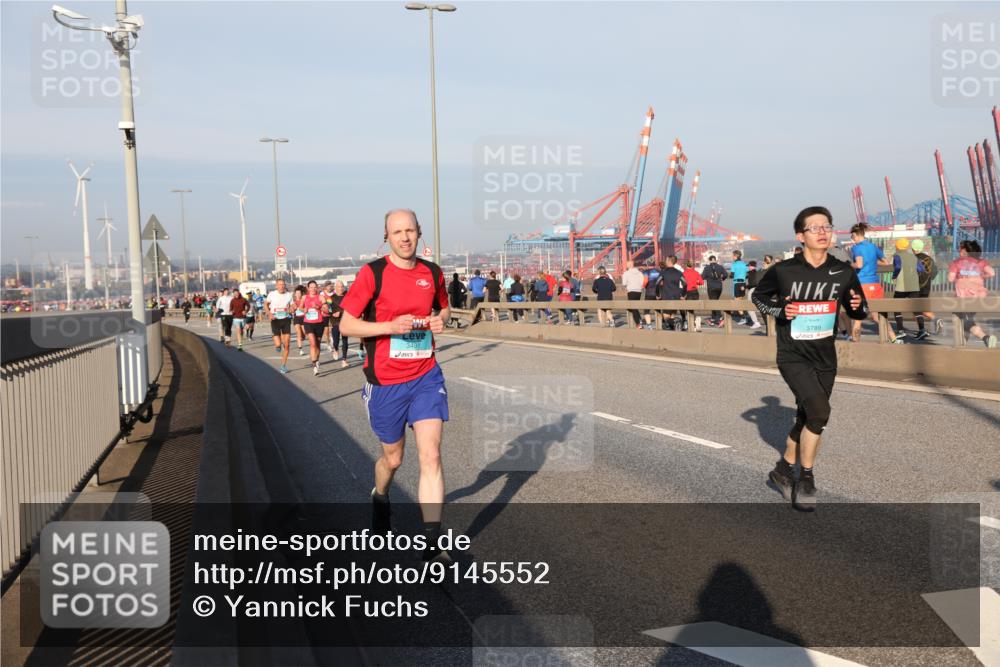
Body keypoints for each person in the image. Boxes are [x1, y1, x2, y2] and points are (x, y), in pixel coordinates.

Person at [338, 208, 450, 561]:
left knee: (430, 455)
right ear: (386, 236)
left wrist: (438, 320)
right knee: (394, 459)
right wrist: (390, 327)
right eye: (397, 232)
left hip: (425, 376)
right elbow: (346, 325)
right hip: (385, 382)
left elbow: (444, 308)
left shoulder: (432, 273)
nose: (404, 237)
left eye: (410, 231)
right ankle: (380, 496)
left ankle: (432, 545)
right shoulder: (373, 273)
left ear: (419, 233)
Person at [751, 206, 869, 510]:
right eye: (814, 228)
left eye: (826, 227)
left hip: (825, 354)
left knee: (807, 415)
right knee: (819, 412)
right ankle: (806, 478)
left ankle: (781, 471)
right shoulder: (784, 270)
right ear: (800, 236)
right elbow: (759, 297)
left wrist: (857, 306)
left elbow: (858, 309)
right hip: (793, 354)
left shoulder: (843, 271)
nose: (822, 232)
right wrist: (780, 310)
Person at [848, 222, 899, 344]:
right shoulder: (873, 246)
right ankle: (894, 338)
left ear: (856, 235)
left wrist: (849, 264)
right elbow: (886, 262)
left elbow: (859, 264)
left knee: (858, 317)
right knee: (879, 316)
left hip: (862, 284)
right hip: (875, 285)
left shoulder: (856, 248)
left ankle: (855, 342)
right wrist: (871, 263)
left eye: (852, 237)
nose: (852, 240)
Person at [948, 239, 997, 348]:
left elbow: (950, 279)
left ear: (965, 250)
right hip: (979, 296)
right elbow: (992, 273)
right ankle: (963, 345)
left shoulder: (956, 262)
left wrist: (958, 277)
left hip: (963, 297)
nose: (958, 251)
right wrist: (981, 276)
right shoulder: (980, 262)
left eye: (960, 249)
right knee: (966, 320)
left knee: (960, 320)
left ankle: (985, 338)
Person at [891, 238, 926, 339]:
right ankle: (922, 330)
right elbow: (921, 269)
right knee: (916, 308)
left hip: (902, 286)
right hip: (914, 286)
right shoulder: (913, 256)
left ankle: (901, 330)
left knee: (896, 307)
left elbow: (897, 267)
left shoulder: (897, 256)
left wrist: (894, 276)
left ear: (898, 246)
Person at [265, 279, 294, 374]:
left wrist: (292, 309)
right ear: (276, 286)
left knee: (287, 344)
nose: (282, 286)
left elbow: (292, 306)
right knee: (278, 344)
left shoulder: (289, 295)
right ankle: (277, 345)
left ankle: (283, 365)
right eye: (280, 285)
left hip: (286, 319)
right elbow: (266, 304)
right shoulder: (272, 294)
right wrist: (269, 313)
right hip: (275, 319)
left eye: (283, 284)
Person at [912, 239, 940, 336]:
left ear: (913, 248)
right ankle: (923, 329)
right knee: (919, 308)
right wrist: (928, 279)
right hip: (926, 287)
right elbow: (935, 272)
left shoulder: (911, 259)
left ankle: (925, 327)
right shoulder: (929, 259)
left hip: (915, 287)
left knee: (916, 309)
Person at [301, 280, 329, 376]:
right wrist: (303, 309)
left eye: (314, 287)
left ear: (317, 287)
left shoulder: (321, 297)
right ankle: (314, 366)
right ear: (308, 288)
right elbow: (300, 307)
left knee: (317, 344)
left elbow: (326, 310)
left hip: (319, 323)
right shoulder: (304, 297)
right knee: (312, 343)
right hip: (308, 323)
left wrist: (318, 307)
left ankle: (317, 360)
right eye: (311, 287)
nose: (313, 289)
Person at [656, 256, 686, 330]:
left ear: (669, 261)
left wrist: (657, 294)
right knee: (672, 314)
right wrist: (683, 294)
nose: (665, 261)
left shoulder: (663, 272)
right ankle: (674, 329)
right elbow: (685, 284)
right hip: (676, 296)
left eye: (666, 260)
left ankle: (676, 322)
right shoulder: (679, 272)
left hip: (666, 296)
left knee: (666, 317)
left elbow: (657, 283)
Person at [701, 255, 728, 326]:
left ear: (710, 260)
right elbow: (726, 274)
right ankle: (713, 317)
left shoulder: (707, 268)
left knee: (713, 302)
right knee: (715, 300)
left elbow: (702, 277)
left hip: (711, 288)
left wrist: (707, 277)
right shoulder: (720, 267)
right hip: (719, 287)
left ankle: (720, 317)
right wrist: (722, 279)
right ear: (715, 260)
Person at [329, 280, 350, 367]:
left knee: (345, 340)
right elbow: (328, 309)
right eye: (339, 287)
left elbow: (350, 306)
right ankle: (335, 348)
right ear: (335, 288)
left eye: (342, 286)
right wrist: (332, 313)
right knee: (336, 339)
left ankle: (344, 360)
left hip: (345, 320)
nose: (341, 288)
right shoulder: (330, 298)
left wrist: (340, 312)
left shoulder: (347, 296)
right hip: (335, 321)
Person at [681, 260, 704, 331]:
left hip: (687, 292)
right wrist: (696, 282)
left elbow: (681, 283)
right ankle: (696, 320)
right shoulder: (696, 273)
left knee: (688, 309)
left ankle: (692, 324)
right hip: (695, 292)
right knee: (693, 308)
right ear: (692, 265)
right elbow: (702, 282)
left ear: (686, 265)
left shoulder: (683, 273)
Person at [622, 260, 645, 329]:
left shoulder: (626, 273)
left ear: (628, 265)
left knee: (633, 307)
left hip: (631, 291)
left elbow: (624, 283)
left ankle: (638, 323)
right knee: (635, 307)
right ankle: (639, 320)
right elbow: (642, 282)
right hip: (639, 291)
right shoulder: (640, 273)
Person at [730, 250, 750, 325]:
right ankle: (746, 316)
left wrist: (731, 276)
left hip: (737, 283)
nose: (732, 257)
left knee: (736, 301)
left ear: (736, 256)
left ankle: (744, 317)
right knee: (740, 300)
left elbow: (731, 275)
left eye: (733, 256)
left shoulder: (734, 264)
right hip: (743, 283)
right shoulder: (744, 264)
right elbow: (747, 274)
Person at [744, 260, 763, 329]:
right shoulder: (757, 273)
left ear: (752, 266)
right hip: (758, 290)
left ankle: (756, 322)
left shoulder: (751, 273)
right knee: (757, 305)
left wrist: (745, 286)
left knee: (749, 307)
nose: (748, 267)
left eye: (749, 266)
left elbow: (753, 283)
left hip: (752, 290)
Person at [292, 285, 307, 356]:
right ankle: (300, 349)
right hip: (297, 318)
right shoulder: (293, 301)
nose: (298, 295)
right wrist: (293, 308)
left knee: (304, 334)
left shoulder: (304, 300)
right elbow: (291, 310)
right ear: (295, 294)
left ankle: (303, 337)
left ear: (301, 294)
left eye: (299, 293)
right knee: (298, 334)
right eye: (296, 293)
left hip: (304, 318)